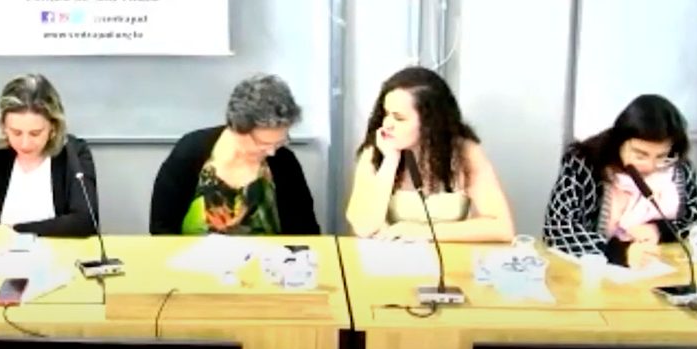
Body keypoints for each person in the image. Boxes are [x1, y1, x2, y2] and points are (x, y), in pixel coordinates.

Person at [345, 66, 514, 242]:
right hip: (390, 253)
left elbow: (502, 228)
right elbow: (363, 227)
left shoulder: (465, 152)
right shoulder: (377, 150)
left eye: (399, 118)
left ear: (430, 123)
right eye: (386, 114)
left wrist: (423, 232)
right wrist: (390, 161)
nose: (387, 124)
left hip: (448, 254)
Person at [544, 94, 697, 268]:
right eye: (640, 155)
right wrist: (620, 253)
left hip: (660, 268)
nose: (650, 166)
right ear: (619, 142)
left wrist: (659, 230)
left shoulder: (679, 167)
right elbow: (557, 229)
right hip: (591, 273)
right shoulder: (584, 163)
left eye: (661, 156)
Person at [150, 74, 319, 235]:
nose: (272, 152)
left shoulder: (284, 162)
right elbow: (161, 228)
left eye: (280, 142)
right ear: (237, 127)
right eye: (263, 143)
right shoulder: (190, 152)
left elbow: (306, 232)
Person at [0, 74, 97, 243]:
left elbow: (86, 221)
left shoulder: (73, 153)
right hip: (2, 254)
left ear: (53, 127)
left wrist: (13, 231)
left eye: (35, 133)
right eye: (16, 132)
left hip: (60, 253)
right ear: (3, 126)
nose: (25, 144)